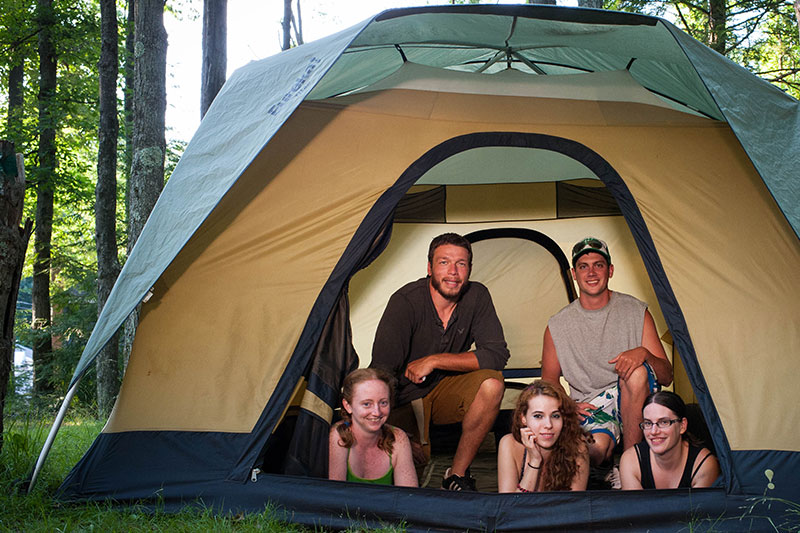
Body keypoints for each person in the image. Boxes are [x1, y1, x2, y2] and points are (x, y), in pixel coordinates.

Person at [370, 233, 510, 491]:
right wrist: (384, 426)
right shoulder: (405, 301)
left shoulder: (477, 295)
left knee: (493, 383)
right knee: (409, 479)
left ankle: (455, 475)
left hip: (447, 390)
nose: (453, 272)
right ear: (429, 267)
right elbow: (381, 372)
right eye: (444, 262)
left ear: (469, 269)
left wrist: (434, 360)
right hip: (404, 398)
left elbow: (497, 355)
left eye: (461, 264)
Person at [541, 237, 673, 468]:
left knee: (637, 373)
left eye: (598, 265)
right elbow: (549, 381)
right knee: (596, 450)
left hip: (638, 401)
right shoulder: (557, 325)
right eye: (584, 266)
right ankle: (604, 458)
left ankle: (630, 466)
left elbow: (666, 376)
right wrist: (567, 405)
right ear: (574, 273)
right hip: (593, 405)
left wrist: (644, 353)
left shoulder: (636, 311)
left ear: (610, 270)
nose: (591, 272)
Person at [328, 368, 418, 486]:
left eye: (383, 403)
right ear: (348, 406)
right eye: (367, 404)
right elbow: (335, 495)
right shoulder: (339, 435)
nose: (377, 412)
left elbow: (408, 497)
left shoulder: (398, 438)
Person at [497, 380, 590, 492]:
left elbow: (575, 505)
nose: (548, 425)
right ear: (524, 418)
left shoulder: (577, 446)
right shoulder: (510, 445)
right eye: (538, 416)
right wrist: (535, 461)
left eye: (555, 416)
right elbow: (509, 506)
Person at [619, 391, 720, 489]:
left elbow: (700, 506)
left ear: (682, 426)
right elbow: (635, 506)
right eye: (648, 423)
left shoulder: (703, 465)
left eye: (664, 422)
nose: (654, 431)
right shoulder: (631, 461)